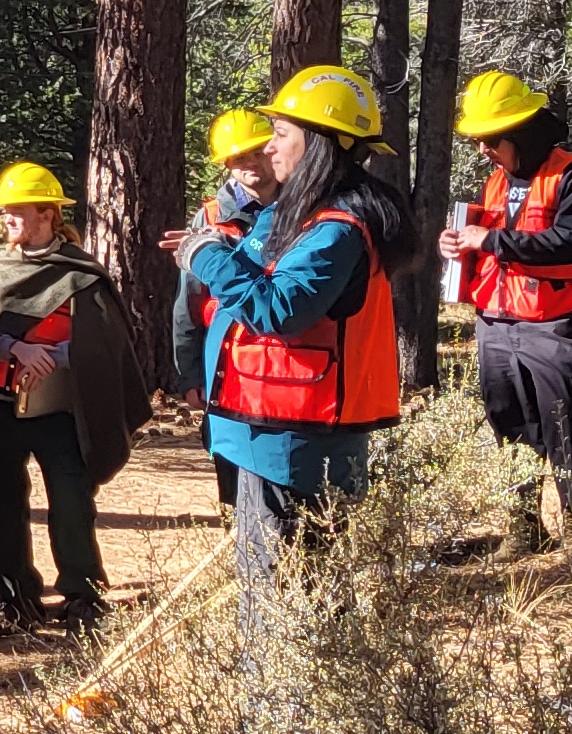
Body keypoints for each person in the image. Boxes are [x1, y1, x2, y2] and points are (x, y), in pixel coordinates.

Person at [173, 63, 419, 653]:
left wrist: (204, 254)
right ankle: (284, 731)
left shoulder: (337, 228)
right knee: (285, 598)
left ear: (318, 143)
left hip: (295, 445)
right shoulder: (304, 218)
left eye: (281, 133)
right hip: (273, 435)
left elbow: (279, 310)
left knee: (287, 606)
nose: (270, 144)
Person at [0, 165, 145, 631]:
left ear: (47, 214)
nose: (8, 220)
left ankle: (83, 597)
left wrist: (53, 356)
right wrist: (17, 348)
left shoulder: (81, 273)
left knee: (72, 500)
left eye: (17, 211)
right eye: (6, 212)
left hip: (59, 410)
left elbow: (104, 346)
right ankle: (14, 599)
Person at [442, 67, 572, 553]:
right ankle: (522, 527)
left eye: (491, 140)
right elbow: (489, 242)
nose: (482, 150)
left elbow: (570, 244)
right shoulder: (494, 184)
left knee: (566, 425)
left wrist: (489, 239)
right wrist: (458, 244)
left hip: (553, 323)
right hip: (495, 321)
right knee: (507, 422)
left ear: (520, 133)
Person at [188, 110, 281, 516]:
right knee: (225, 444)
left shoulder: (304, 208)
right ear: (226, 164)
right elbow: (188, 301)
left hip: (281, 357)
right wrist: (189, 371)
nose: (251, 165)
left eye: (257, 152)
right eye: (239, 158)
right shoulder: (211, 217)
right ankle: (236, 521)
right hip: (224, 356)